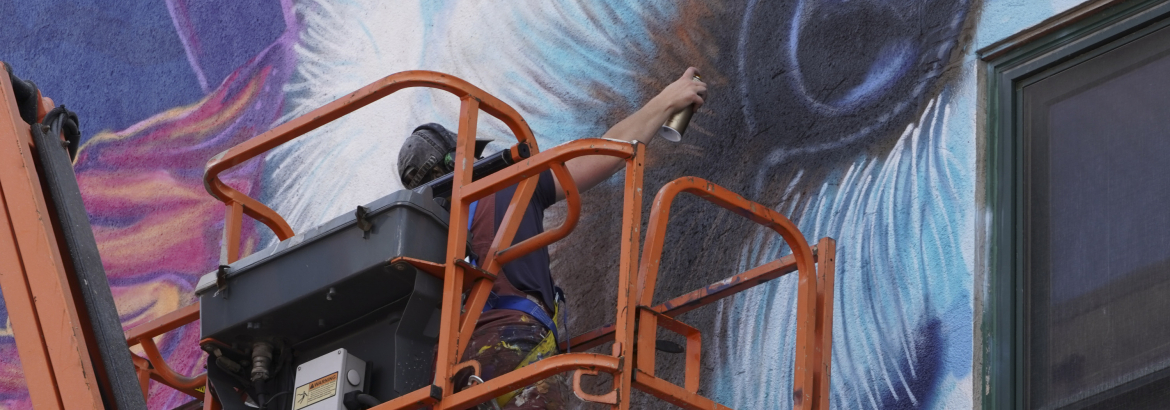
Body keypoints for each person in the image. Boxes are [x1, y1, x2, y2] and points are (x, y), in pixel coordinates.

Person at [397, 68, 706, 409]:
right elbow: (605, 151)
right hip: (511, 344)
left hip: (443, 376)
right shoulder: (507, 181)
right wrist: (667, 101)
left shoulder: (412, 237)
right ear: (462, 156)